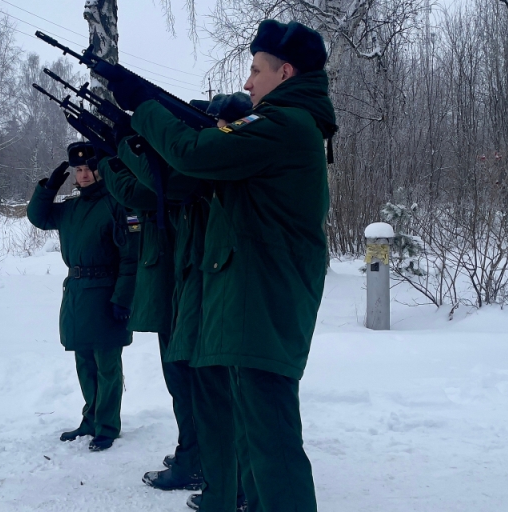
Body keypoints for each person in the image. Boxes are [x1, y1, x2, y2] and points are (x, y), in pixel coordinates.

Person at [108, 19, 337, 511]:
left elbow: (194, 154)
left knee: (271, 446)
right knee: (257, 443)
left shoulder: (284, 125)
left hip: (262, 301)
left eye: (257, 70)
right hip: (255, 300)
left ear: (286, 71)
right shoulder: (285, 124)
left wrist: (143, 107)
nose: (248, 82)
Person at [121, 94, 252, 512]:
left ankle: (229, 485)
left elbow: (159, 184)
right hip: (192, 287)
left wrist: (121, 145)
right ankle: (220, 478)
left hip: (214, 290)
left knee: (219, 400)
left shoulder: (227, 160)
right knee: (197, 392)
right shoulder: (216, 163)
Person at [98, 149, 203, 489]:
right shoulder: (176, 168)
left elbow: (134, 192)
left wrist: (109, 157)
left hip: (184, 291)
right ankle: (195, 451)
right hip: (171, 292)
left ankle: (196, 460)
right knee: (182, 384)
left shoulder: (183, 170)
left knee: (189, 385)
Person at [27, 141, 138, 452]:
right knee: (85, 363)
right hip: (77, 293)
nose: (83, 174)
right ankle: (89, 420)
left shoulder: (117, 204)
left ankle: (107, 426)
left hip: (106, 293)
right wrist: (48, 188)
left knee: (107, 365)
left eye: (88, 168)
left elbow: (131, 256)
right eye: (77, 170)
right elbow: (39, 217)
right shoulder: (71, 208)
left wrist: (123, 298)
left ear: (99, 170)